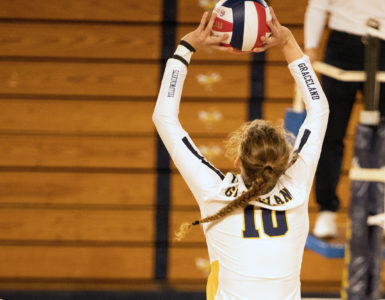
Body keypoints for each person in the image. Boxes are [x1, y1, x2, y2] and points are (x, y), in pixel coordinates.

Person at [153, 8, 329, 300]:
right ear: (284, 161)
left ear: (238, 161)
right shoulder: (296, 186)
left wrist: (186, 46)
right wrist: (288, 43)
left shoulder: (215, 191)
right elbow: (320, 110)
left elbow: (164, 118)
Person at [304, 0, 385, 238]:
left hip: (383, 45)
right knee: (330, 133)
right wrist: (311, 46)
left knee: (382, 136)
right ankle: (326, 210)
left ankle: (380, 209)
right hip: (342, 45)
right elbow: (318, 5)